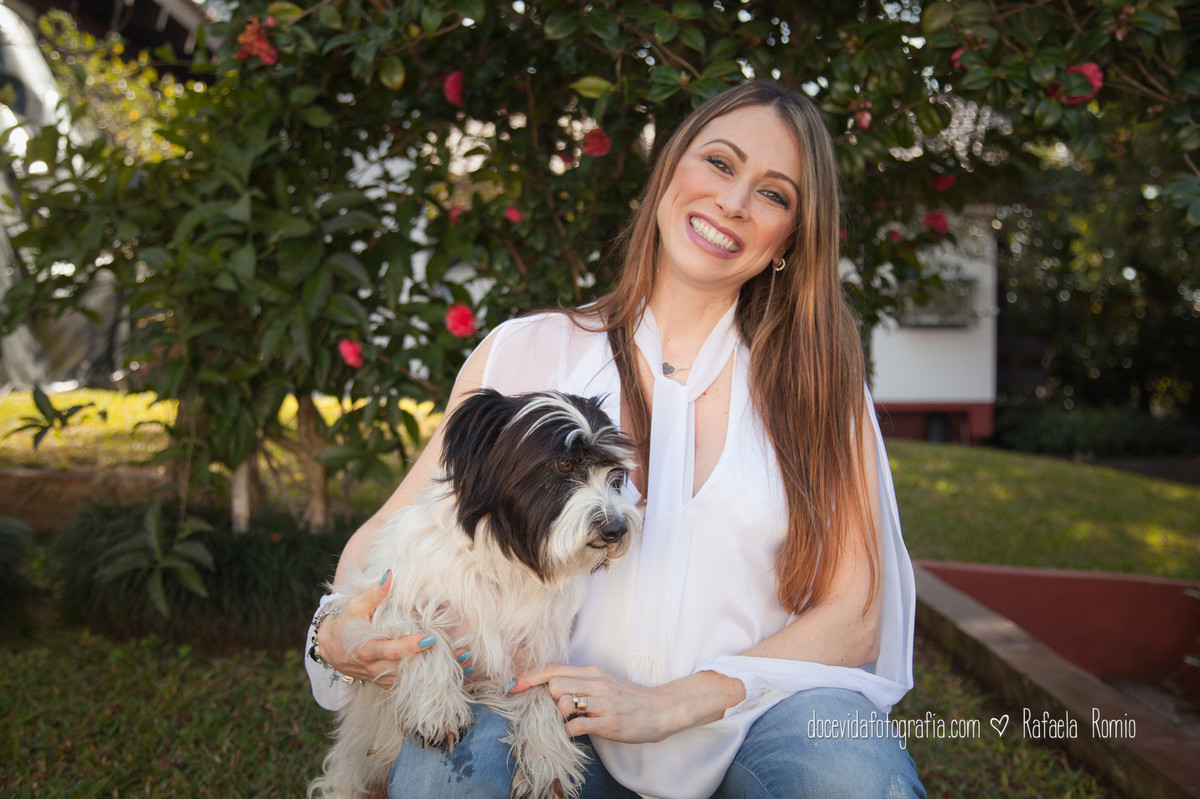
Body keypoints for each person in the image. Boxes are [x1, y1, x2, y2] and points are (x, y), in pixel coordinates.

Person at [305, 79, 925, 799]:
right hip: (552, 717)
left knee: (852, 776)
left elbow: (853, 618)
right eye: (720, 163)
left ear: (791, 238)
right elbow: (390, 531)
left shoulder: (821, 391)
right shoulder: (523, 353)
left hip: (759, 716)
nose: (733, 201)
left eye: (774, 193)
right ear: (668, 174)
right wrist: (332, 632)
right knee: (450, 775)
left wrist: (677, 700)